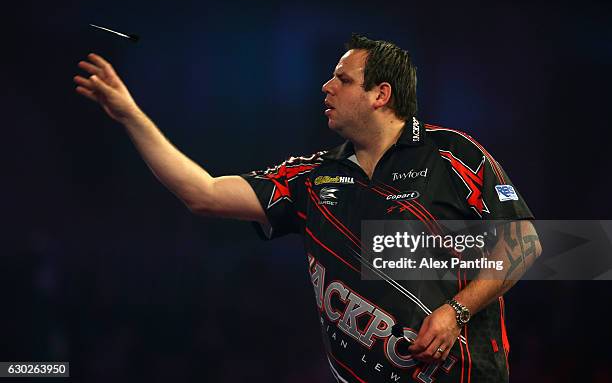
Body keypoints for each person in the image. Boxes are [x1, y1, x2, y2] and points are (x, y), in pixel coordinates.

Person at [74, 34, 541, 382]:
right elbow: (204, 192)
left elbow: (526, 242)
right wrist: (131, 115)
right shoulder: (310, 179)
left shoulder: (452, 155)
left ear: (381, 94)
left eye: (342, 78)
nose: (326, 86)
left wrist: (456, 311)